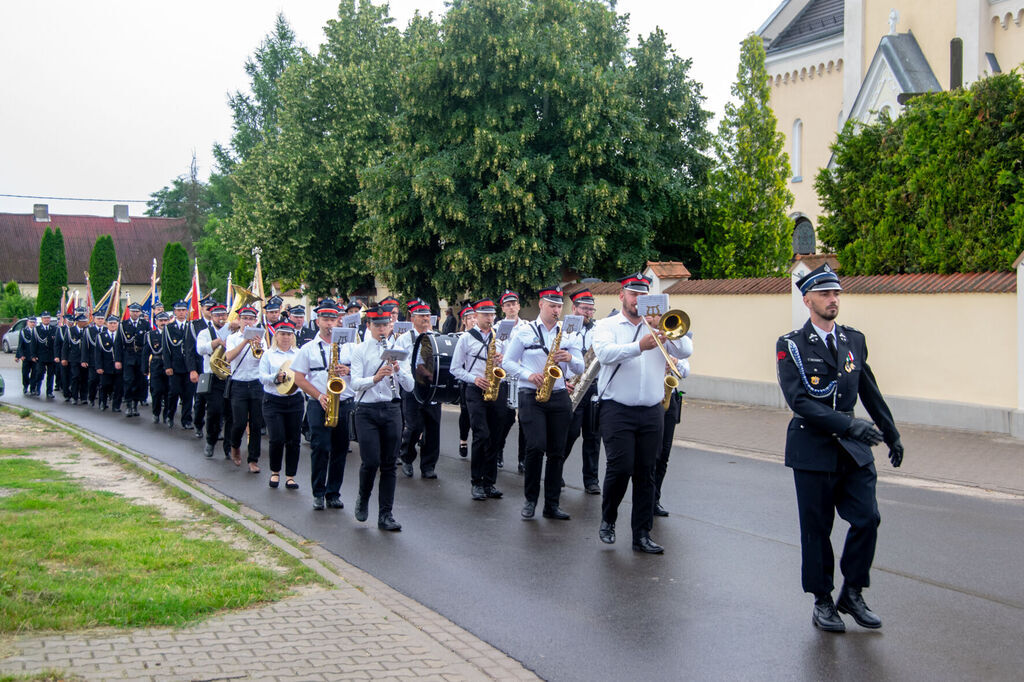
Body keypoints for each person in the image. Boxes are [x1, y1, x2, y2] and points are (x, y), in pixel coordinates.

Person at [776, 263, 904, 633]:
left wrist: (891, 432)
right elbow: (800, 401)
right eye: (826, 294)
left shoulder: (853, 340)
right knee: (817, 530)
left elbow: (869, 390)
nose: (834, 300)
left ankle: (853, 591)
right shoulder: (791, 345)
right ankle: (822, 600)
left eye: (837, 294)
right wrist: (851, 425)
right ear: (808, 300)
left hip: (853, 448)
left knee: (868, 518)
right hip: (812, 447)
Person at [591, 273, 689, 554]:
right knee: (620, 468)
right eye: (633, 294)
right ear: (621, 295)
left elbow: (687, 351)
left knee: (647, 472)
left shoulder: (660, 327)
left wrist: (665, 331)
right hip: (616, 409)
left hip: (652, 410)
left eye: (643, 295)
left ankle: (642, 534)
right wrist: (639, 346)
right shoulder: (607, 325)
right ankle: (609, 518)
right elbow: (605, 354)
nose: (638, 300)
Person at [503, 286, 584, 520]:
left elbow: (580, 367)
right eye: (552, 305)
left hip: (559, 395)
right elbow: (508, 362)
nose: (557, 310)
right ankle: (530, 500)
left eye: (559, 306)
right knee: (536, 446)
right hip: (531, 394)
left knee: (557, 452)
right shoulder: (525, 332)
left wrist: (570, 358)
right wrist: (529, 375)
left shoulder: (568, 333)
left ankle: (552, 504)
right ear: (541, 304)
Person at [349, 305, 414, 531]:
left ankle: (385, 514)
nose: (382, 329)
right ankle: (363, 497)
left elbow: (410, 385)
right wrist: (375, 378)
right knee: (371, 461)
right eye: (377, 325)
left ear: (391, 325)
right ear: (369, 326)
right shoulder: (360, 350)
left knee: (389, 465)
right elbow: (355, 383)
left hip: (392, 409)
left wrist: (399, 370)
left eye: (385, 324)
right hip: (366, 411)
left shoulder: (398, 350)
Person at [291, 300, 354, 510]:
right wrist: (319, 396)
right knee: (320, 448)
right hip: (319, 403)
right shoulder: (308, 348)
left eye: (333, 320)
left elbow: (363, 372)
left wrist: (349, 371)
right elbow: (298, 378)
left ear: (339, 320)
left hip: (343, 403)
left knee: (340, 449)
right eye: (325, 320)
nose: (329, 324)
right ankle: (318, 492)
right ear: (318, 321)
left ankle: (333, 493)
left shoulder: (350, 347)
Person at [450, 298, 513, 500]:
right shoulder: (466, 339)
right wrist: (475, 379)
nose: (490, 318)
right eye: (486, 315)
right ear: (475, 316)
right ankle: (476, 482)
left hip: (497, 388)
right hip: (475, 390)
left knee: (495, 437)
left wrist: (504, 360)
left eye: (492, 315)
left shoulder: (501, 337)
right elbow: (455, 369)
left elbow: (512, 363)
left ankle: (489, 482)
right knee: (481, 435)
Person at [396, 299, 442, 479]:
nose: (426, 319)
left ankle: (428, 466)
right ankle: (407, 457)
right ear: (412, 318)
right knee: (414, 426)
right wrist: (414, 376)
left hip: (432, 387)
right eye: (422, 316)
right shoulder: (404, 338)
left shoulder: (436, 336)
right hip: (412, 386)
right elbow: (402, 362)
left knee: (433, 427)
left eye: (427, 315)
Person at [562, 289, 602, 494]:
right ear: (574, 309)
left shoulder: (600, 330)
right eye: (584, 309)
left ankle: (591, 480)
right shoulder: (564, 329)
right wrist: (562, 380)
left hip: (593, 387)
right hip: (571, 385)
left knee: (594, 435)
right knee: (570, 432)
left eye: (590, 309)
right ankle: (556, 470)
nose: (587, 313)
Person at [259, 320, 304, 491]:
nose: (286, 337)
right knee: (277, 438)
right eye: (282, 334)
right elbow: (262, 377)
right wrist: (275, 377)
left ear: (293, 336)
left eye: (289, 334)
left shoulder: (299, 353)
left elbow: (305, 375)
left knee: (294, 439)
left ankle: (290, 476)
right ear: (276, 336)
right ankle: (275, 472)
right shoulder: (268, 355)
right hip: (273, 400)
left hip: (295, 400)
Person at [653, 332, 693, 516]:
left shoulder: (677, 343)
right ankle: (647, 499)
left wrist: (675, 362)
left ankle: (656, 498)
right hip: (652, 398)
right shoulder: (650, 337)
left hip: (671, 398)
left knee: (664, 453)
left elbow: (685, 372)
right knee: (653, 453)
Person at [224, 306, 265, 472]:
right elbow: (228, 357)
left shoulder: (260, 338)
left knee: (256, 424)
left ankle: (253, 460)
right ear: (239, 320)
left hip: (256, 384)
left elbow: (264, 358)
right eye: (245, 318)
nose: (247, 321)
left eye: (251, 319)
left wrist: (258, 345)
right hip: (239, 384)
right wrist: (245, 342)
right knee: (239, 422)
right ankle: (234, 445)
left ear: (255, 321)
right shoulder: (232, 338)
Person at [195, 303, 233, 458]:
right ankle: (210, 441)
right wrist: (216, 342)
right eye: (217, 315)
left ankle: (228, 447)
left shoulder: (232, 330)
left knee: (231, 413)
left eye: (224, 315)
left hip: (230, 377)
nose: (221, 318)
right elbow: (200, 349)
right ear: (211, 317)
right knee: (214, 411)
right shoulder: (205, 332)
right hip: (213, 376)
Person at [498, 289, 529, 472]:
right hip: (505, 378)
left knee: (525, 419)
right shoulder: (498, 327)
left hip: (523, 376)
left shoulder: (527, 326)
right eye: (508, 305)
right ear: (503, 308)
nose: (511, 307)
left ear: (518, 306)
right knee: (505, 419)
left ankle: (523, 459)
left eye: (514, 304)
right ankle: (499, 450)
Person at [162, 301, 195, 429]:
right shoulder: (169, 328)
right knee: (174, 393)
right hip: (175, 367)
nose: (181, 313)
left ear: (187, 311)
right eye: (178, 310)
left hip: (189, 367)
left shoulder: (190, 327)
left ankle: (186, 420)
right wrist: (167, 366)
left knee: (188, 394)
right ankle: (170, 415)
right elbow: (166, 349)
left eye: (183, 310)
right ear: (174, 312)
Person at [117, 303, 150, 418]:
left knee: (139, 381)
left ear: (140, 312)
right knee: (128, 380)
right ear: (129, 312)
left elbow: (148, 342)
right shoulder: (124, 325)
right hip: (128, 355)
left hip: (141, 356)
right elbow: (118, 343)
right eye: (133, 311)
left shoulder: (145, 324)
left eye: (137, 311)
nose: (135, 313)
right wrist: (118, 360)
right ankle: (129, 404)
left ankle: (135, 405)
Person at [189, 297, 215, 438]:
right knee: (201, 399)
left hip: (217, 368)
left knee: (218, 400)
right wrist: (192, 369)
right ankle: (198, 424)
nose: (210, 311)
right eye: (207, 308)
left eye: (213, 309)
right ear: (202, 309)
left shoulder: (221, 325)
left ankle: (216, 427)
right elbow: (189, 350)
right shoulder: (195, 325)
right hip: (201, 367)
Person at [454, 304, 476, 458]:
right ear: (464, 321)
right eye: (470, 318)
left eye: (475, 317)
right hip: (464, 380)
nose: (473, 320)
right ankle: (463, 440)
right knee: (465, 412)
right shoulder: (460, 337)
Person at [93, 315, 122, 411]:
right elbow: (98, 353)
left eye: (115, 323)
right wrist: (99, 367)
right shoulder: (101, 336)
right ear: (107, 324)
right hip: (106, 366)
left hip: (118, 367)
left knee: (118, 387)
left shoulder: (121, 336)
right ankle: (103, 402)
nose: (113, 325)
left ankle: (116, 406)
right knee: (105, 385)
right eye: (111, 323)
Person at [146, 312, 171, 424]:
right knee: (156, 391)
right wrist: (144, 369)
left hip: (169, 364)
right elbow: (145, 353)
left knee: (169, 391)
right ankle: (156, 413)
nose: (163, 323)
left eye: (165, 320)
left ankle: (167, 414)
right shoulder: (151, 334)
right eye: (161, 321)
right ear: (156, 322)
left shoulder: (172, 334)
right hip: (156, 363)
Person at [62, 312, 90, 405]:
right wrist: (64, 358)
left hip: (85, 358)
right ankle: (74, 396)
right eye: (82, 321)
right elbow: (65, 346)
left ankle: (83, 397)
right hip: (74, 358)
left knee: (84, 378)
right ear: (77, 322)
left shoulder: (88, 330)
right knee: (75, 376)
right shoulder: (71, 331)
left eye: (85, 321)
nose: (85, 323)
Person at [29, 311, 57, 398]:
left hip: (51, 355)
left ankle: (49, 392)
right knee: (40, 373)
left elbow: (56, 344)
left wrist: (57, 356)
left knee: (51, 375)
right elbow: (33, 343)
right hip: (40, 355)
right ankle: (37, 388)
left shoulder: (54, 329)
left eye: (48, 318)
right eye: (45, 318)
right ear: (42, 319)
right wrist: (33, 355)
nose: (46, 319)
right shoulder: (36, 329)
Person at [84, 311, 105, 406]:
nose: (100, 320)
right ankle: (91, 397)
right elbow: (85, 347)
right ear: (94, 320)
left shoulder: (106, 330)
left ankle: (102, 401)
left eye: (102, 319)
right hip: (92, 360)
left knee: (103, 382)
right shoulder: (89, 331)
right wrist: (84, 360)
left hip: (105, 361)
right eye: (98, 319)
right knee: (93, 380)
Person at [15, 317, 36, 395]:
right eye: (31, 322)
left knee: (35, 373)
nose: (32, 324)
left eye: (34, 322)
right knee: (25, 373)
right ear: (28, 322)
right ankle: (25, 386)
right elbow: (20, 345)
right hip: (26, 356)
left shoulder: (37, 331)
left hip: (35, 357)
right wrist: (20, 355)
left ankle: (33, 388)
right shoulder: (23, 332)